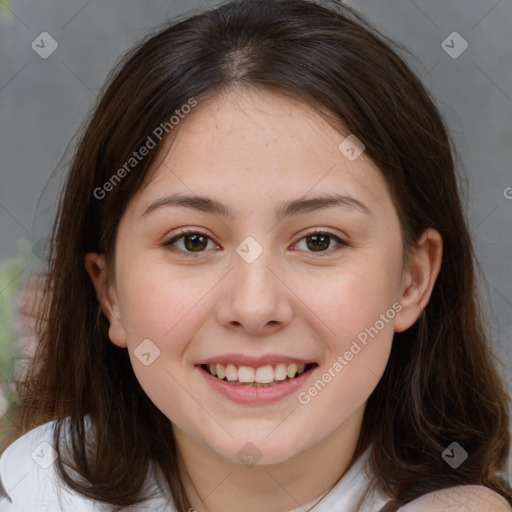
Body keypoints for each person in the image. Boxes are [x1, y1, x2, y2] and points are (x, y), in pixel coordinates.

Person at [1, 0, 511, 510]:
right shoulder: (33, 487)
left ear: (412, 281)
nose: (253, 307)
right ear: (109, 291)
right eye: (193, 241)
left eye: (319, 240)